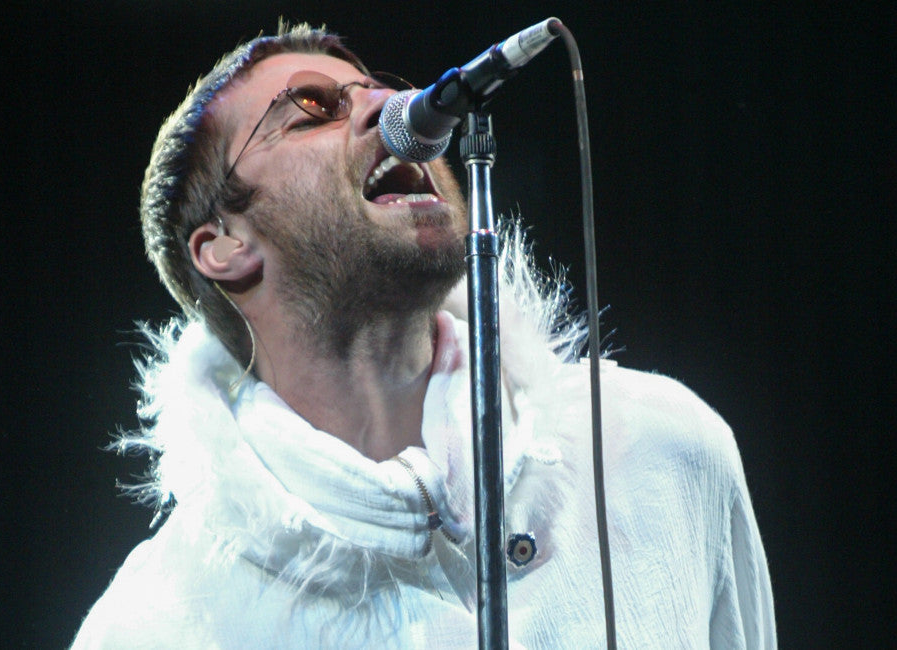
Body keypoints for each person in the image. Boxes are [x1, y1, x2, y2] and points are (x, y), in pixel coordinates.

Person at [71, 22, 776, 649]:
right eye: (312, 109)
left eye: (378, 89)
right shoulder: (152, 626)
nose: (390, 107)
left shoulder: (659, 449)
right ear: (224, 246)